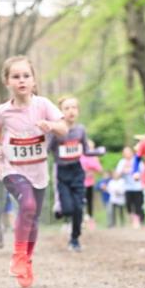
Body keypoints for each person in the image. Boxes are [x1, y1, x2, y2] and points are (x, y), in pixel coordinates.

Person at [0, 55, 66, 288]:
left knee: (32, 219)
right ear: (7, 82)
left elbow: (64, 128)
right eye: (16, 76)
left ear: (34, 81)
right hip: (12, 169)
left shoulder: (43, 105)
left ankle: (27, 259)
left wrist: (51, 126)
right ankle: (18, 255)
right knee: (29, 206)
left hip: (38, 170)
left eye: (26, 76)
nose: (21, 80)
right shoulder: (4, 111)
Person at [48, 96, 97, 252]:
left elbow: (86, 150)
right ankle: (62, 209)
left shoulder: (80, 130)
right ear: (61, 112)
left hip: (77, 170)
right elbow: (47, 150)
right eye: (67, 108)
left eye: (74, 108)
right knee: (68, 209)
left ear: (78, 111)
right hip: (62, 172)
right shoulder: (56, 130)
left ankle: (75, 239)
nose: (71, 111)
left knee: (78, 208)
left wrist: (98, 152)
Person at [117, 146, 144, 227]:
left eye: (128, 152)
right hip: (127, 187)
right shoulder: (122, 162)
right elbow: (117, 174)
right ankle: (132, 219)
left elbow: (143, 172)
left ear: (132, 153)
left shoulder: (137, 160)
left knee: (138, 205)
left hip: (138, 187)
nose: (127, 154)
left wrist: (136, 174)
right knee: (128, 205)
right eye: (125, 153)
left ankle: (137, 221)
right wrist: (123, 170)